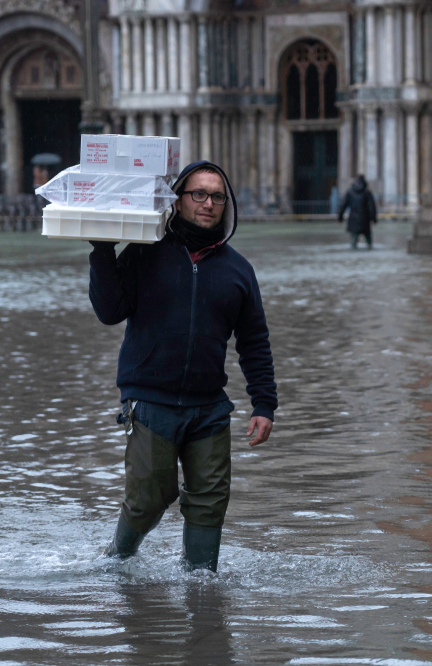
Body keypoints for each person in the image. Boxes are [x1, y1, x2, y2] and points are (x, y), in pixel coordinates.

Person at [88, 160, 278, 572]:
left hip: (209, 407)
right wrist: (102, 250)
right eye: (199, 194)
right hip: (150, 400)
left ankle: (202, 589)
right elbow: (109, 311)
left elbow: (254, 342)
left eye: (217, 196)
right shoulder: (143, 253)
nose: (208, 203)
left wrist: (264, 404)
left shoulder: (238, 271)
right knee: (148, 498)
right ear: (177, 200)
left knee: (211, 501)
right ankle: (116, 562)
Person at [337, 174, 377, 249]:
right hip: (365, 220)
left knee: (353, 243)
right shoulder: (367, 192)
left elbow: (343, 205)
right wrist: (374, 219)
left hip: (353, 220)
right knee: (369, 244)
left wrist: (340, 218)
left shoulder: (350, 192)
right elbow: (372, 207)